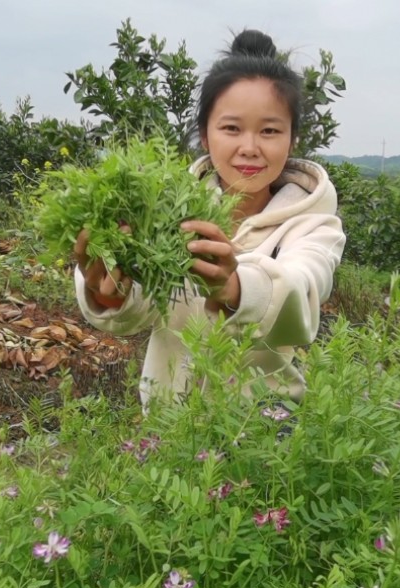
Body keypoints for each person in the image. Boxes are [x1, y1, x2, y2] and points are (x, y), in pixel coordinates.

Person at [73, 29, 346, 409]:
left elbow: (303, 290)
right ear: (204, 134)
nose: (249, 148)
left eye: (270, 131)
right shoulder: (167, 210)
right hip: (169, 430)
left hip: (263, 428)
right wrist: (109, 291)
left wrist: (235, 288)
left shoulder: (313, 224)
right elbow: (140, 311)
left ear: (292, 139)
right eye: (231, 128)